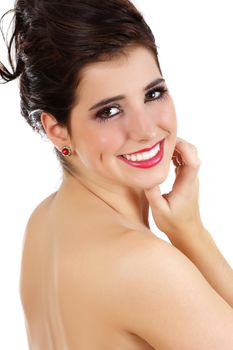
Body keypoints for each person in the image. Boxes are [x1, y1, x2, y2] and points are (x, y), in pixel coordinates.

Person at [1, 0, 233, 349]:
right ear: (57, 130)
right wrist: (192, 234)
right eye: (109, 111)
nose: (145, 130)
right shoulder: (143, 264)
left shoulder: (44, 223)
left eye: (153, 93)